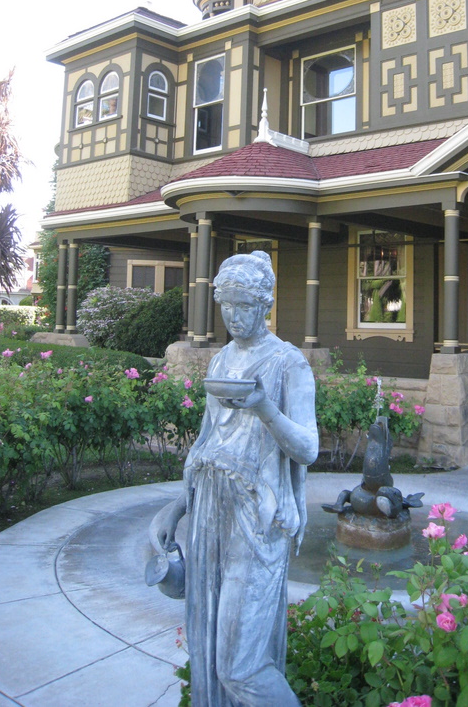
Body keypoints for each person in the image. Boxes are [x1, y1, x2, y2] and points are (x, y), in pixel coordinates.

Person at [158, 250, 318, 707]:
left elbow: (308, 448)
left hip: (256, 515)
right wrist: (178, 507)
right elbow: (208, 442)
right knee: (207, 645)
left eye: (244, 305)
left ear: (265, 304)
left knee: (239, 664)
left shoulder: (289, 364)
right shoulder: (221, 361)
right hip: (210, 506)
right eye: (226, 305)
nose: (234, 316)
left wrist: (266, 408)